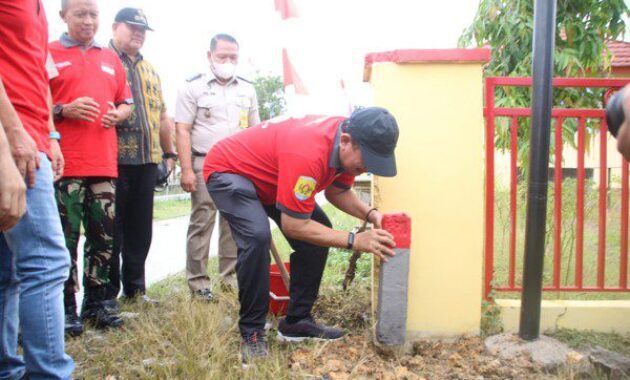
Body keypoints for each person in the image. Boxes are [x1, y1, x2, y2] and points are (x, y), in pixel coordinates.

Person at [204, 107, 399, 365]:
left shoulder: (349, 141)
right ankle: (251, 332)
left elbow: (337, 192)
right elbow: (295, 226)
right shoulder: (309, 152)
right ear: (345, 141)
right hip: (230, 170)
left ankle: (297, 321)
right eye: (366, 162)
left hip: (273, 179)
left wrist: (371, 214)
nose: (364, 170)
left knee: (321, 230)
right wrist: (353, 241)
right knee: (257, 236)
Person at [0, 1, 75, 378]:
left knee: (8, 269)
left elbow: (37, 76)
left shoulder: (36, 7)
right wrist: (10, 139)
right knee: (45, 263)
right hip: (13, 138)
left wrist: (50, 136)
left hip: (32, 136)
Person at [49, 0, 133, 333]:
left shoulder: (110, 58)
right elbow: (33, 103)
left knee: (103, 238)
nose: (87, 21)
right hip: (64, 163)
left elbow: (126, 102)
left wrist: (120, 114)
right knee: (65, 238)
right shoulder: (49, 53)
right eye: (80, 14)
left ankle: (97, 304)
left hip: (103, 164)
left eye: (93, 15)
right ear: (63, 16)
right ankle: (65, 306)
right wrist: (63, 109)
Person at [175, 33, 260, 301]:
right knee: (202, 222)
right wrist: (186, 169)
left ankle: (229, 278)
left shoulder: (247, 89)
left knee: (234, 223)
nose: (228, 61)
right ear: (209, 56)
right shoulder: (193, 87)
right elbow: (183, 130)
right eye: (222, 56)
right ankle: (199, 285)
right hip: (205, 164)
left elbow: (256, 133)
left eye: (233, 57)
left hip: (239, 167)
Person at [106, 8, 177, 304]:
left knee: (140, 230)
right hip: (113, 160)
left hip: (147, 161)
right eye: (132, 27)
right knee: (111, 230)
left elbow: (162, 116)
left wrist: (169, 153)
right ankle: (106, 296)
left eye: (142, 30)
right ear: (115, 27)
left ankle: (136, 291)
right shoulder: (104, 60)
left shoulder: (150, 70)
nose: (138, 33)